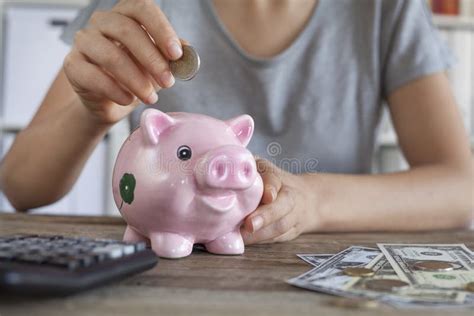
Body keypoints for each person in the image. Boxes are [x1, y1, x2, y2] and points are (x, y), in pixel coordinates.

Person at [0, 0, 472, 244]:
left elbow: (460, 188)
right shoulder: (140, 7)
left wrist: (315, 201)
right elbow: (22, 186)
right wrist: (92, 110)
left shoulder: (384, 9)